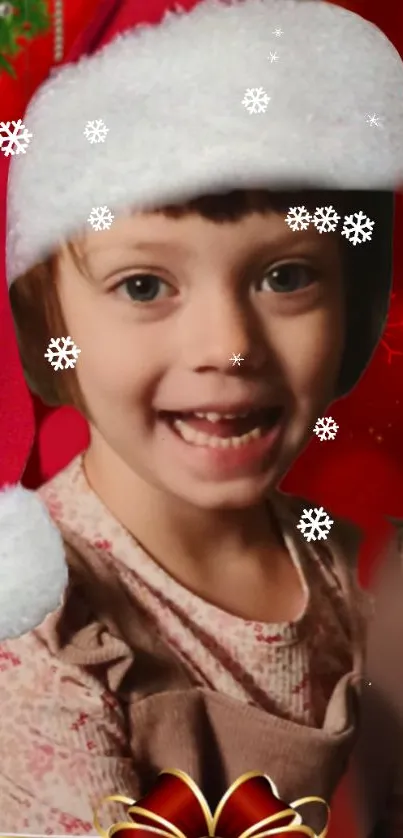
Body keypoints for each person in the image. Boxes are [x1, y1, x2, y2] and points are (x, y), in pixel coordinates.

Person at [0, 0, 403, 835]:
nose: (228, 347)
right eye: (144, 286)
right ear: (53, 323)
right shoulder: (35, 636)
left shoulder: (351, 565)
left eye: (286, 276)